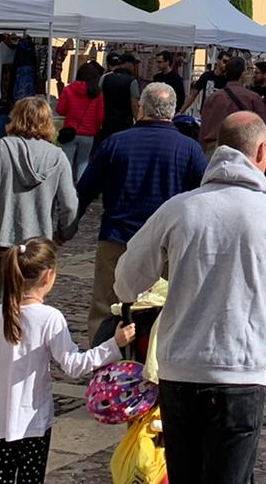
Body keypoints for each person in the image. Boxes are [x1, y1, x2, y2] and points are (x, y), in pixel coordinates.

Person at [116, 113, 266, 484]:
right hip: (240, 370)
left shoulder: (180, 208)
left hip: (181, 369)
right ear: (262, 151)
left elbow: (125, 281)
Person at [0, 96, 80, 419]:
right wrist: (63, 233)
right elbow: (70, 206)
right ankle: (17, 398)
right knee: (28, 317)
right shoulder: (57, 158)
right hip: (33, 249)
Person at [0, 239, 133, 483]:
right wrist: (114, 345)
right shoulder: (49, 318)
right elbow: (74, 365)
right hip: (33, 424)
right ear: (48, 277)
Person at [76, 82, 207, 342]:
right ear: (171, 111)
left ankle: (103, 365)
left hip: (118, 238)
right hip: (166, 246)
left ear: (141, 108)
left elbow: (85, 189)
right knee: (163, 307)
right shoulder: (189, 149)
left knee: (106, 305)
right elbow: (205, 196)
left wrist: (67, 225)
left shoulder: (116, 143)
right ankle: (155, 367)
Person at [199, 56, 266, 155]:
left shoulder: (213, 98)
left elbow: (203, 129)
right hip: (243, 152)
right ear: (242, 74)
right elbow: (264, 130)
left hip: (214, 150)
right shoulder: (253, 98)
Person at [54, 61, 105, 181]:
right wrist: (95, 129)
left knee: (67, 162)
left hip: (70, 131)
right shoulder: (97, 93)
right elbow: (100, 116)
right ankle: (80, 190)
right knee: (83, 161)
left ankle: (65, 188)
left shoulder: (68, 89)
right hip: (88, 134)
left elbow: (60, 110)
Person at [94, 53, 141, 147]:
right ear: (128, 64)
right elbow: (134, 105)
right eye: (133, 65)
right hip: (124, 123)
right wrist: (139, 121)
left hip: (106, 122)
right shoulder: (132, 81)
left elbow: (98, 99)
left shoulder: (105, 77)